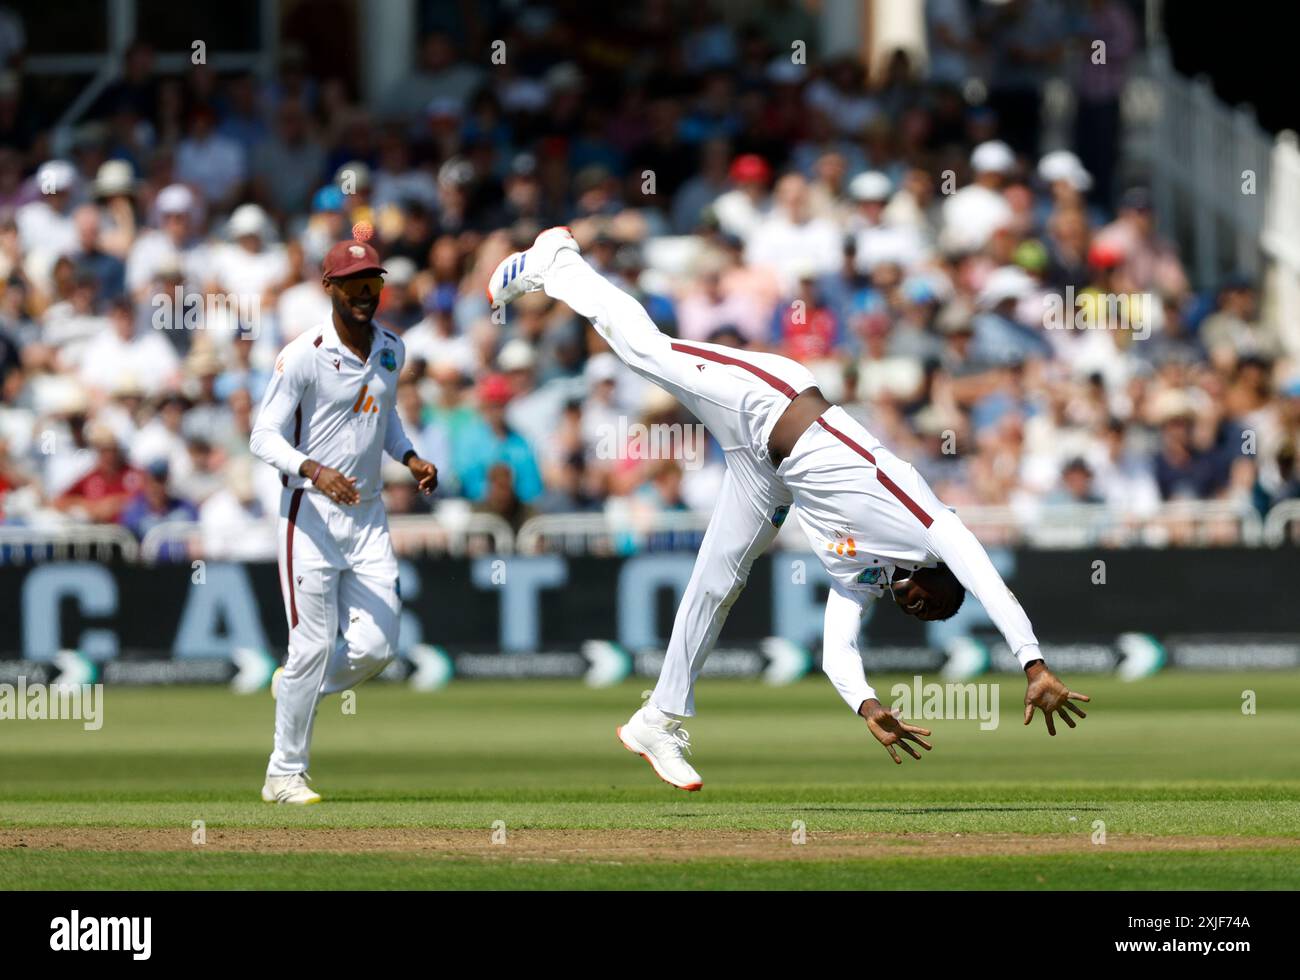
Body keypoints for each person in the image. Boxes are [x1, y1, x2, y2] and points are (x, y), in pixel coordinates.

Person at [491, 228, 1090, 790]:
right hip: (772, 401)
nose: (917, 608)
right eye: (932, 603)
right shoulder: (930, 525)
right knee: (648, 351)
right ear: (938, 577)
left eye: (922, 617)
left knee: (717, 581)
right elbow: (986, 578)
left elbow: (837, 652)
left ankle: (659, 718)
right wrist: (1032, 662)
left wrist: (867, 705)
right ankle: (559, 261)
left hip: (765, 472)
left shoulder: (862, 579)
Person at [249, 236, 438, 804]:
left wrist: (410, 457)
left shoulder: (391, 349)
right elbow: (262, 435)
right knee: (309, 646)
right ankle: (284, 773)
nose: (365, 293)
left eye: (373, 283)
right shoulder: (303, 352)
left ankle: (296, 689)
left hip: (370, 517)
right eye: (353, 283)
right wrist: (313, 469)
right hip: (310, 514)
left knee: (379, 646)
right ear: (328, 287)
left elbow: (386, 415)